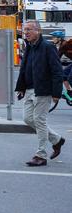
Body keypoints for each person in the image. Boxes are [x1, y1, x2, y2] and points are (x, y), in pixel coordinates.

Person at [15, 21, 65, 166]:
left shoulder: (47, 47)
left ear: (38, 31)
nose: (26, 33)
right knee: (28, 119)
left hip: (43, 90)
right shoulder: (29, 46)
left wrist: (56, 93)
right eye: (25, 30)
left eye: (29, 30)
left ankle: (41, 155)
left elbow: (57, 71)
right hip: (30, 90)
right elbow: (25, 69)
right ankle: (56, 139)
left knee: (39, 120)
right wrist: (22, 87)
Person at [49, 31, 72, 96]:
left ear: (59, 38)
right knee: (63, 75)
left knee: (70, 78)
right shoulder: (62, 45)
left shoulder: (65, 45)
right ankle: (69, 92)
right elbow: (57, 59)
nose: (52, 39)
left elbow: (57, 58)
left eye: (54, 37)